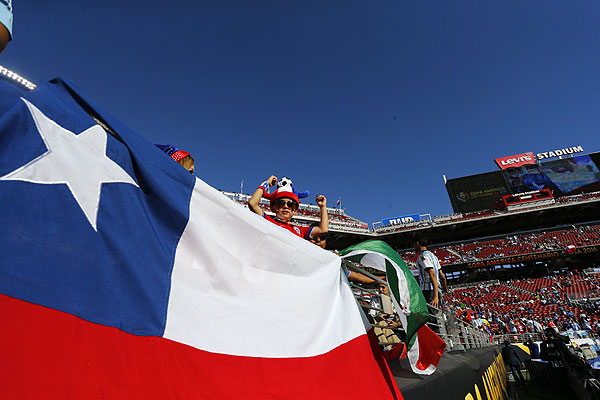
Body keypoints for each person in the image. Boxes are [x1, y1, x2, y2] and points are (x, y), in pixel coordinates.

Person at [248, 175, 327, 241]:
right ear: (273, 208)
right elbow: (252, 203)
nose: (285, 206)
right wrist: (266, 183)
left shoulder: (301, 230)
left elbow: (323, 230)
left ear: (295, 211)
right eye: (280, 203)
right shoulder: (268, 221)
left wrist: (323, 207)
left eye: (290, 204)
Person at [540, 327, 592, 400]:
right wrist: (581, 361)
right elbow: (569, 356)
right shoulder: (558, 343)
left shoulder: (543, 345)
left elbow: (543, 357)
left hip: (556, 373)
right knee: (581, 394)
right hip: (568, 372)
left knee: (566, 394)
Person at [414, 236, 445, 307]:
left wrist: (435, 296)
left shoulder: (423, 256)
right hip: (436, 290)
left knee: (430, 313)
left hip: (428, 291)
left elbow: (432, 274)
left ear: (417, 243)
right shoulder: (434, 257)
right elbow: (442, 276)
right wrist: (444, 288)